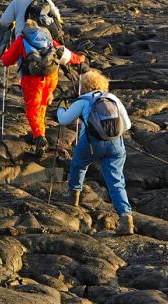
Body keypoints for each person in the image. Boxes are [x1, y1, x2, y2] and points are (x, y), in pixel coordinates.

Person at [57, 69, 134, 235]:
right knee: (116, 181)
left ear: (82, 86)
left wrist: (61, 107)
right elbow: (127, 125)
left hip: (91, 144)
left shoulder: (83, 101)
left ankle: (73, 199)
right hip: (115, 145)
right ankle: (126, 218)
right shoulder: (112, 98)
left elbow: (63, 120)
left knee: (78, 165)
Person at [1, 19, 84, 155]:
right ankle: (41, 126)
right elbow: (65, 54)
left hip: (31, 79)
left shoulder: (22, 39)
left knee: (33, 108)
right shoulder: (46, 36)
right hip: (51, 76)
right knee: (42, 105)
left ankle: (40, 136)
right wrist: (79, 59)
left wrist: (5, 55)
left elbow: (7, 60)